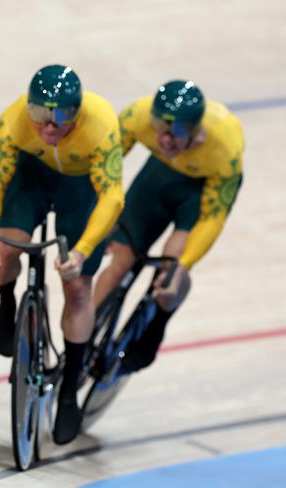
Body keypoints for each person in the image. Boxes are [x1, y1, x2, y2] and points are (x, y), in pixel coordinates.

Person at [0, 64, 124, 444]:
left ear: (78, 111)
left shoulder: (102, 123)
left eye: (61, 117)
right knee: (6, 250)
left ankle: (70, 388)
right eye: (41, 115)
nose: (49, 126)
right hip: (33, 177)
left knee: (77, 286)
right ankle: (7, 302)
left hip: (81, 186)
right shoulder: (13, 122)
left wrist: (83, 250)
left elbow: (112, 195)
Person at [94, 80, 244, 373]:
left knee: (170, 271)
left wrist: (182, 264)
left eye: (176, 132)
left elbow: (212, 218)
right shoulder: (137, 116)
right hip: (159, 178)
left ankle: (157, 325)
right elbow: (103, 163)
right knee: (120, 261)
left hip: (199, 193)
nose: (165, 138)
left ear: (195, 130)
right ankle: (83, 340)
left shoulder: (225, 148)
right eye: (160, 127)